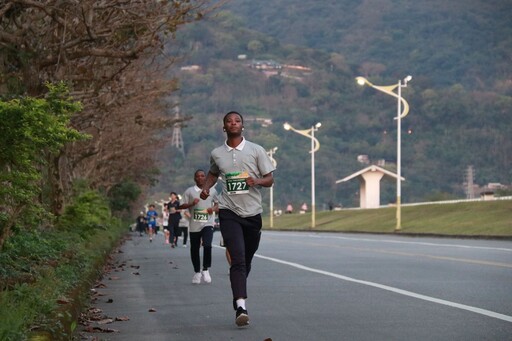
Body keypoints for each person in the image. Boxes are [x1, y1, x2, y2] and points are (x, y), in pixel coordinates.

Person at [200, 111, 275, 327]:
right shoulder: (217, 153)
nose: (233, 123)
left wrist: (257, 181)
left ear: (243, 126)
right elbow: (213, 173)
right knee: (238, 259)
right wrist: (206, 189)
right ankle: (241, 306)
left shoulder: (256, 150)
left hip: (252, 213)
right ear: (224, 127)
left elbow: (270, 179)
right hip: (228, 211)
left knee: (246, 260)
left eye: (237, 121)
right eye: (229, 121)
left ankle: (238, 290)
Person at [179, 169, 218, 284]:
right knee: (194, 249)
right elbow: (181, 206)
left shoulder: (212, 190)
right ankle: (197, 272)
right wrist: (191, 204)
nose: (200, 178)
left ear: (206, 178)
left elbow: (218, 205)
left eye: (202, 176)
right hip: (194, 224)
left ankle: (206, 269)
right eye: (198, 176)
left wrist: (213, 209)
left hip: (208, 223)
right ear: (195, 178)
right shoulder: (189, 191)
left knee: (207, 244)